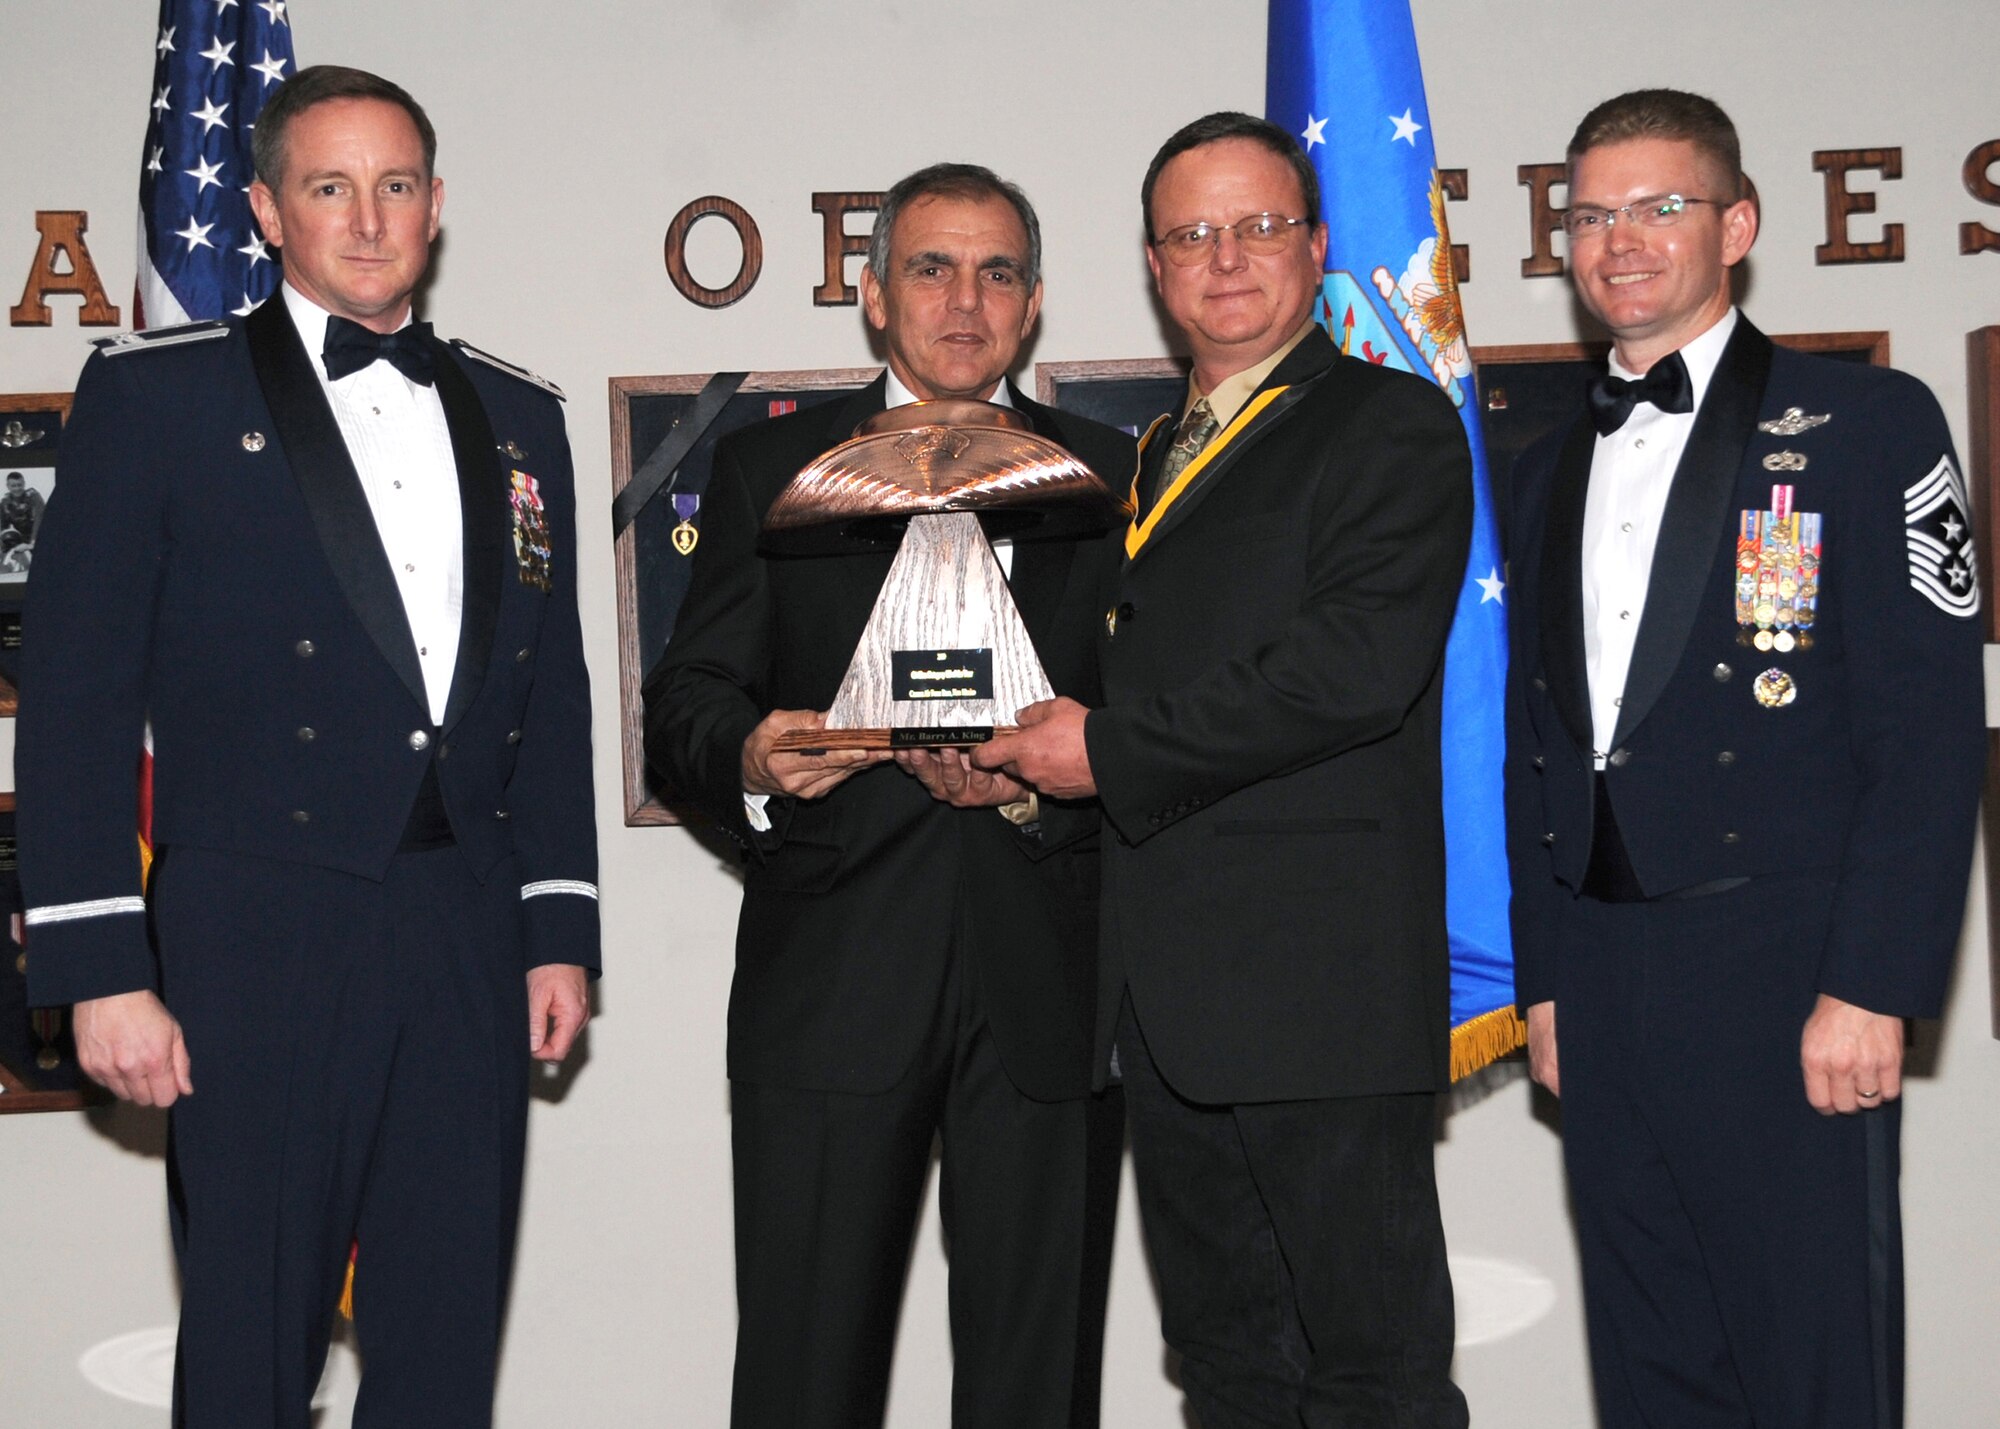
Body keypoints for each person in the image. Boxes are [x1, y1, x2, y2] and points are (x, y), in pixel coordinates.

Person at [16, 65, 599, 1428]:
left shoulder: (523, 416)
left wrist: (555, 922)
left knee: (444, 1341)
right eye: (329, 186)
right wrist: (102, 965)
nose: (367, 216)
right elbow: (78, 692)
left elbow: (546, 692)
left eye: (395, 185)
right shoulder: (155, 396)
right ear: (268, 210)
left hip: (461, 923)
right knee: (248, 1349)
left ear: (436, 206)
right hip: (251, 933)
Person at [979, 112, 1472, 1428]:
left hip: (1319, 998)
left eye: (1258, 226)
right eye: (1192, 234)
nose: (1227, 258)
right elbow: (1140, 684)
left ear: (1316, 248)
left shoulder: (1389, 425)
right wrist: (1032, 771)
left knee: (1372, 1375)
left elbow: (1349, 673)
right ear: (1153, 265)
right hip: (1167, 1005)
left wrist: (1104, 751)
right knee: (1231, 1372)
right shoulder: (1149, 454)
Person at [1502, 88, 1985, 1428]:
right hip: (1601, 981)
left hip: (1788, 978)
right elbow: (1535, 751)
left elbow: (1928, 729)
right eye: (1592, 215)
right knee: (1653, 1372)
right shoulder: (1538, 470)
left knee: (1814, 1368)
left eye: (1661, 205)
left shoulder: (1868, 422)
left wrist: (1874, 983)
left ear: (1740, 224)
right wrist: (1545, 982)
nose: (1621, 240)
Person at [642, 163, 1134, 1428]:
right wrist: (752, 755)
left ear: (1030, 306)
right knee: (806, 1374)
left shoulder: (1118, 477)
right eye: (930, 267)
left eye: (997, 272)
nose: (963, 301)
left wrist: (1044, 791)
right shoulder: (770, 469)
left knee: (1038, 1383)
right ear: (872, 296)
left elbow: (1157, 728)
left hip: (1050, 982)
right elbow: (685, 706)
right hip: (833, 979)